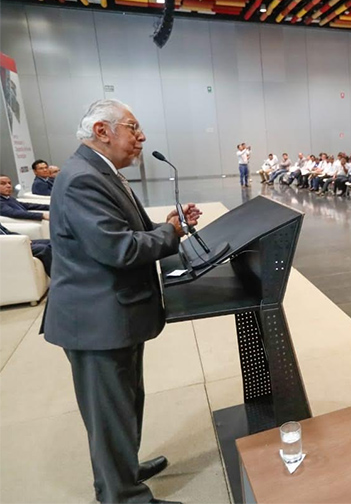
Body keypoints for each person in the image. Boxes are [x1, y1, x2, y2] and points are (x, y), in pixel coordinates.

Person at [42, 99, 201, 504]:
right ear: (102, 131)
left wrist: (168, 226)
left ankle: (122, 470)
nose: (141, 137)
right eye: (133, 127)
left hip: (115, 313)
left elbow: (124, 231)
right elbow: (119, 249)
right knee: (110, 414)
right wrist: (170, 235)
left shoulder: (101, 172)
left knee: (124, 405)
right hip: (97, 320)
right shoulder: (82, 179)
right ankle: (123, 496)